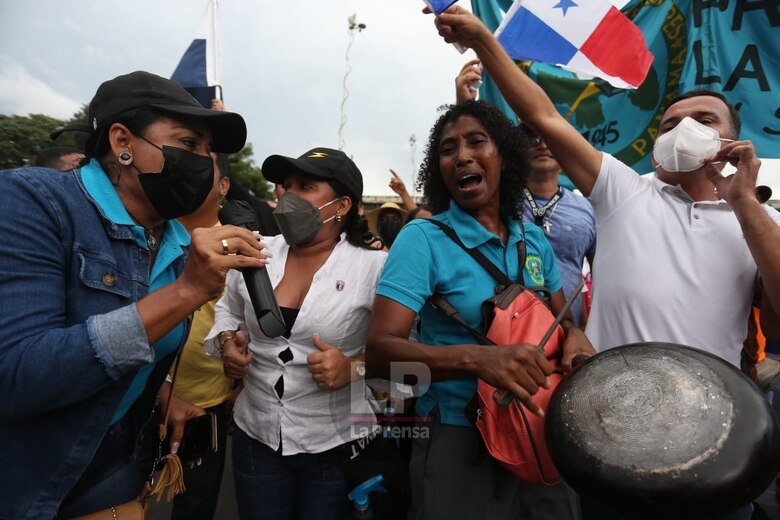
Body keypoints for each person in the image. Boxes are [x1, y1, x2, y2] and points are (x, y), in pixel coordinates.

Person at [428, 6, 780, 519]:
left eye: (703, 121)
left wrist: (744, 202)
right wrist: (484, 39)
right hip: (611, 434)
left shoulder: (761, 221)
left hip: (713, 442)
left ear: (731, 141)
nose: (684, 129)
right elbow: (543, 116)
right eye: (670, 124)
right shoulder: (624, 191)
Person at [0, 70, 261, 519]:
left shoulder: (174, 241)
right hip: (29, 481)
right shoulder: (33, 201)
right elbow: (16, 377)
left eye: (207, 151)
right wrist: (185, 292)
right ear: (122, 141)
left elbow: (138, 352)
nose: (202, 162)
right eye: (188, 143)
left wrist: (161, 393)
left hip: (113, 470)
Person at [366, 100, 595, 520]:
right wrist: (480, 360)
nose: (462, 156)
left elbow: (562, 320)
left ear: (504, 156)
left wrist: (576, 339)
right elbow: (380, 355)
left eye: (476, 142)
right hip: (460, 436)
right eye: (448, 149)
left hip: (543, 427)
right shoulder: (423, 239)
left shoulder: (533, 239)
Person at [206, 147, 389, 520]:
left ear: (341, 206)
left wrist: (354, 368)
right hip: (256, 438)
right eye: (286, 186)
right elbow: (227, 309)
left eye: (305, 186)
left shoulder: (375, 268)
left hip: (334, 445)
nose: (288, 196)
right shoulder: (256, 251)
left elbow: (406, 351)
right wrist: (227, 342)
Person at [456, 59, 596, 326]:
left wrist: (587, 332)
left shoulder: (588, 208)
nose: (541, 144)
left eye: (549, 137)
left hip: (569, 336)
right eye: (530, 137)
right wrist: (464, 106)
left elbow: (599, 280)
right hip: (505, 333)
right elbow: (467, 175)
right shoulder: (496, 197)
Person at [162, 152, 238, 520]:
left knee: (195, 505)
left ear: (223, 186)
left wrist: (243, 383)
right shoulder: (147, 232)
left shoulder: (242, 246)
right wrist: (161, 392)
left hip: (205, 404)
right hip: (138, 398)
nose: (189, 173)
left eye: (203, 168)